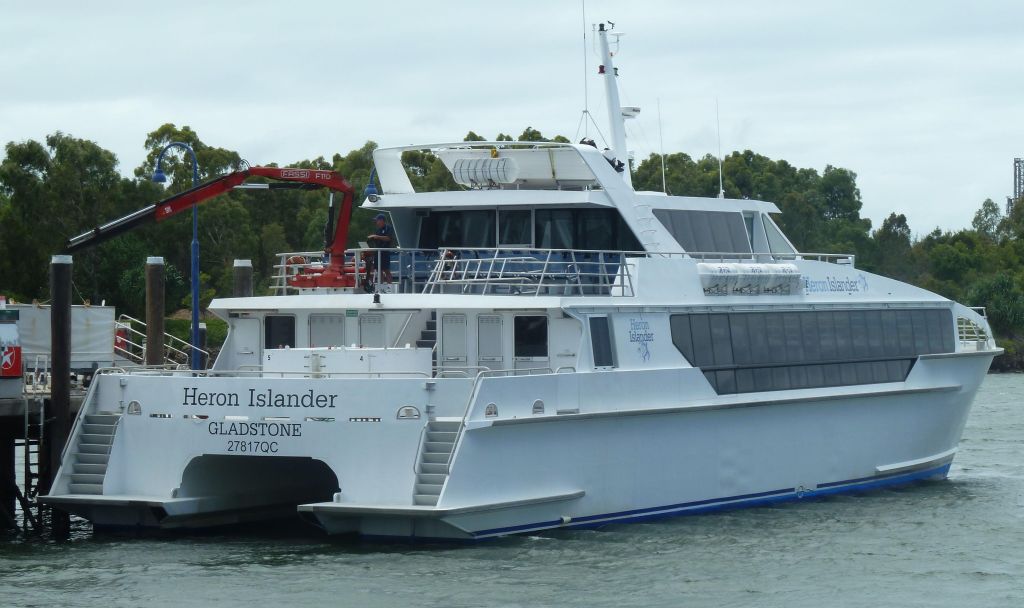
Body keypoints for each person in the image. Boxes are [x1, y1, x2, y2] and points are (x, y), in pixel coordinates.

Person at [367, 213, 393, 284]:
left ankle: (389, 286)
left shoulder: (388, 227)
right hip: (377, 253)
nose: (376, 222)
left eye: (377, 220)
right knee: (379, 270)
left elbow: (389, 238)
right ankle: (380, 285)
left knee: (386, 270)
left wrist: (377, 236)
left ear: (381, 220)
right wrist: (372, 238)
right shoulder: (378, 230)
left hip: (384, 252)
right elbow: (377, 241)